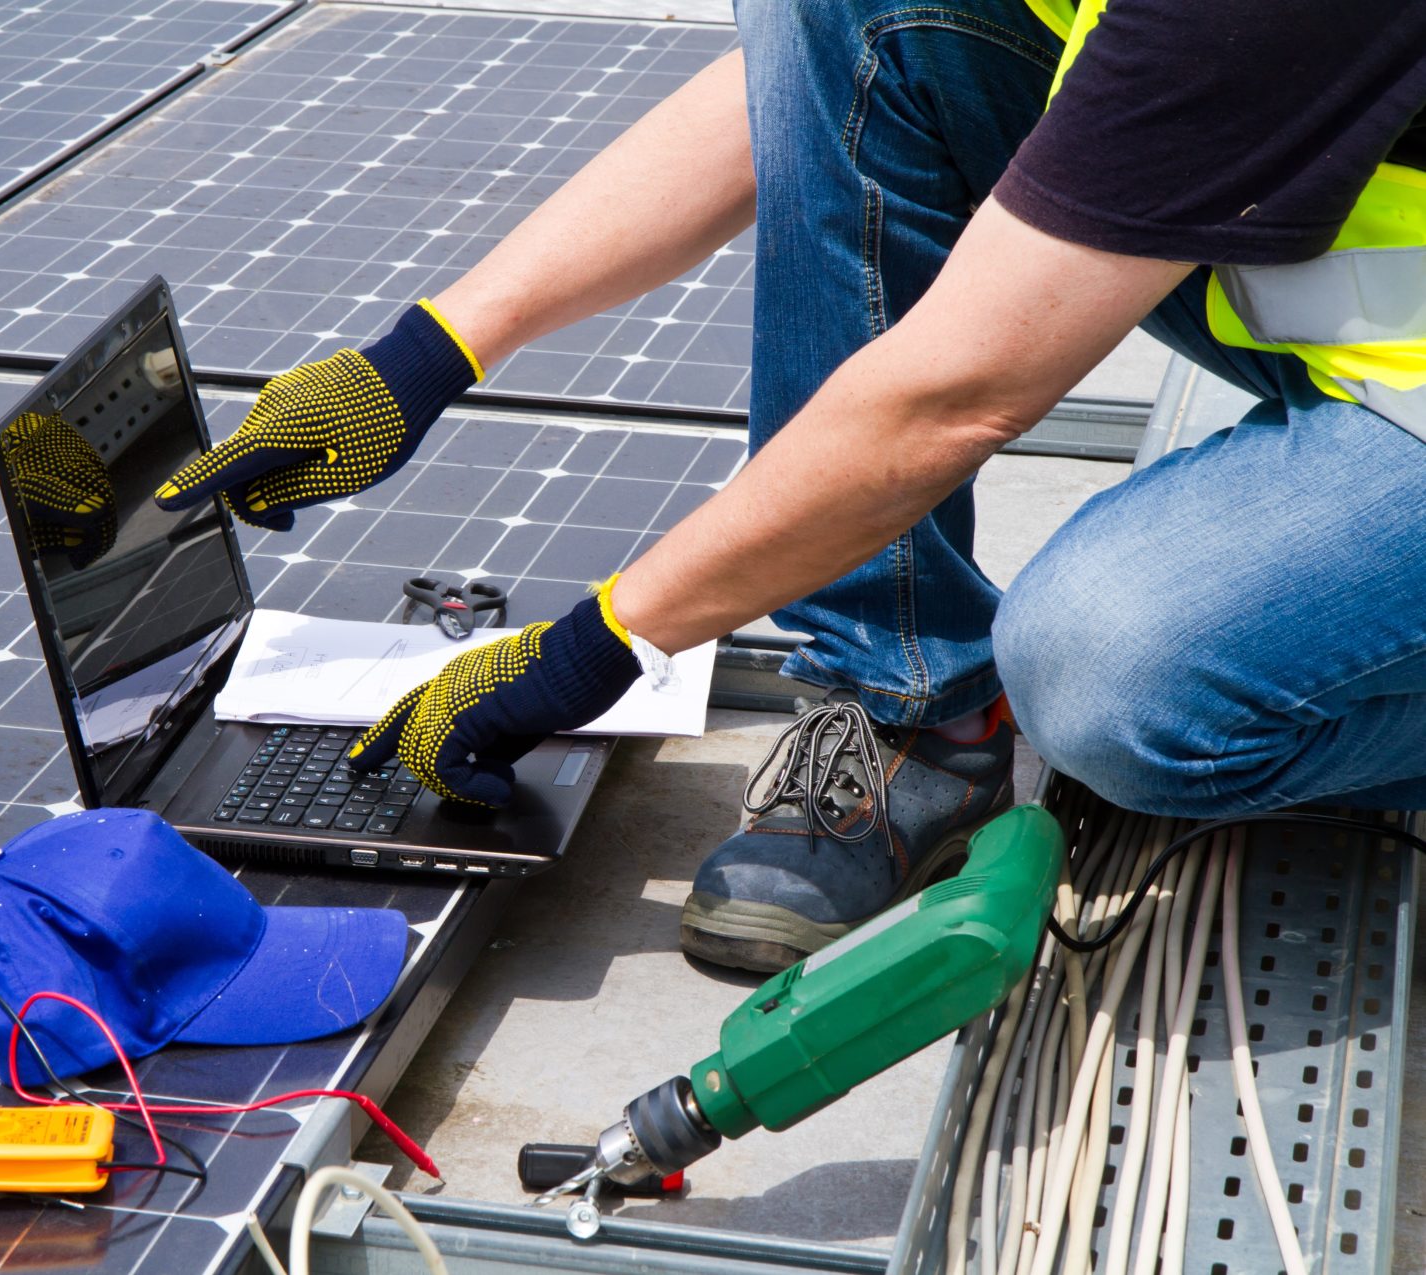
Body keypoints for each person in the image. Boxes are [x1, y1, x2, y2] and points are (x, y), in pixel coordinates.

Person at [158, 0, 1426, 972]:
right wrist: (426, 357)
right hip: (1348, 313)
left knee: (1111, 671)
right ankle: (904, 708)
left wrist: (593, 648)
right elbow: (824, 80)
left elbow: (954, 394)